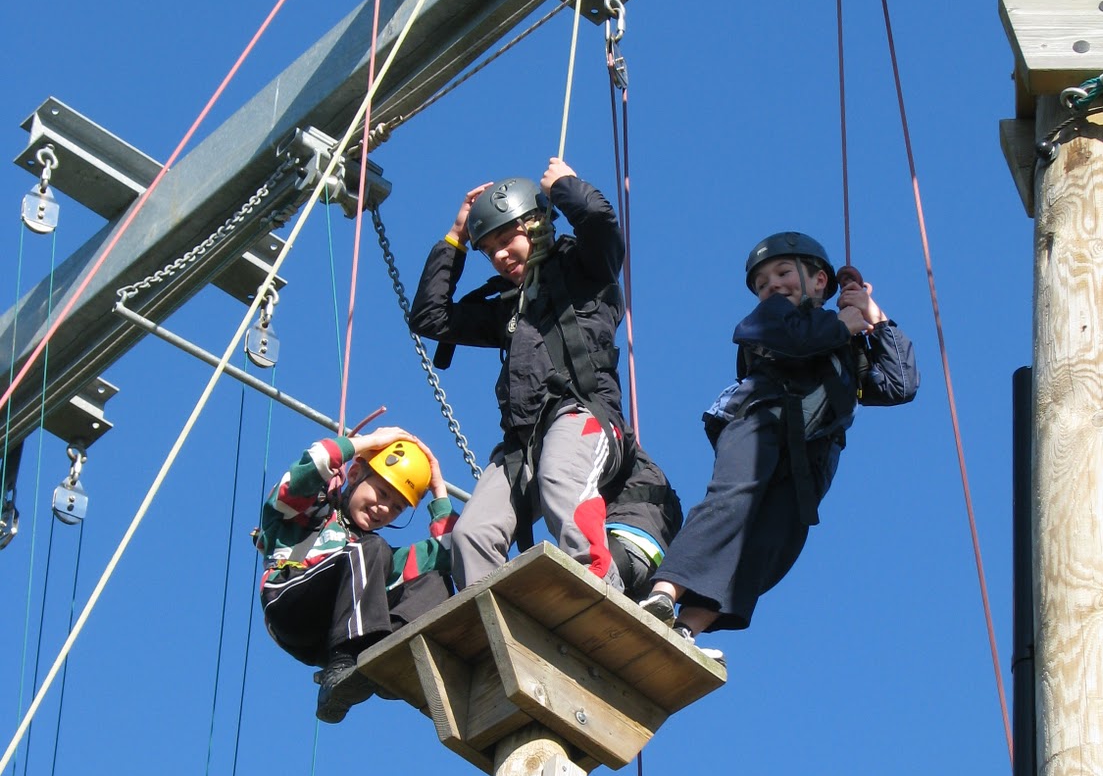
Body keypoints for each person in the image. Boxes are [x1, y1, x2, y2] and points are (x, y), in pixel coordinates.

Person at [639, 231, 918, 655]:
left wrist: (876, 320)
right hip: (760, 421)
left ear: (819, 280)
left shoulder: (844, 345)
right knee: (731, 501)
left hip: (810, 456)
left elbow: (900, 385)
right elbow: (793, 342)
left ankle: (687, 628)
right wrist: (841, 324)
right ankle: (664, 594)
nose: (773, 286)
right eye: (763, 283)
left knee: (773, 540)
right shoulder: (769, 319)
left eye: (784, 273)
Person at [410, 156, 677, 593]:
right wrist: (455, 240)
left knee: (560, 480)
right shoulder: (508, 308)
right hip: (522, 445)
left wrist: (565, 186)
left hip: (582, 416)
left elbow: (598, 221)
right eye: (488, 249)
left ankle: (600, 594)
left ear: (534, 224)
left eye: (505, 238)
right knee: (471, 534)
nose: (498, 255)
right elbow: (430, 318)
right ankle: (500, 627)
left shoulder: (585, 273)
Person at [258, 427, 457, 722]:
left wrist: (439, 491)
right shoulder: (308, 515)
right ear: (354, 476)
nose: (384, 508)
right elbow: (308, 468)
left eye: (397, 507)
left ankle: (391, 653)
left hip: (329, 638)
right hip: (290, 606)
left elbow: (448, 553)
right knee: (370, 550)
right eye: (382, 492)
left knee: (436, 580)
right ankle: (346, 662)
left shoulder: (374, 560)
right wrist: (370, 443)